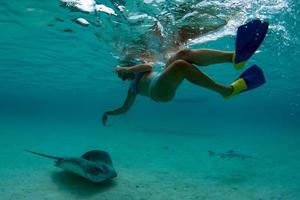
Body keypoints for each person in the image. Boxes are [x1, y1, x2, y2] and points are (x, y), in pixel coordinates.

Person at [102, 19, 269, 126]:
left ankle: (234, 58)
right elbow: (124, 108)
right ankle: (226, 91)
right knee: (180, 65)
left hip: (160, 77)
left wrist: (127, 68)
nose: (123, 74)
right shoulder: (133, 87)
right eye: (122, 74)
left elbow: (148, 68)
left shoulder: (139, 69)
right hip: (158, 92)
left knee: (183, 54)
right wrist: (108, 113)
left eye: (123, 71)